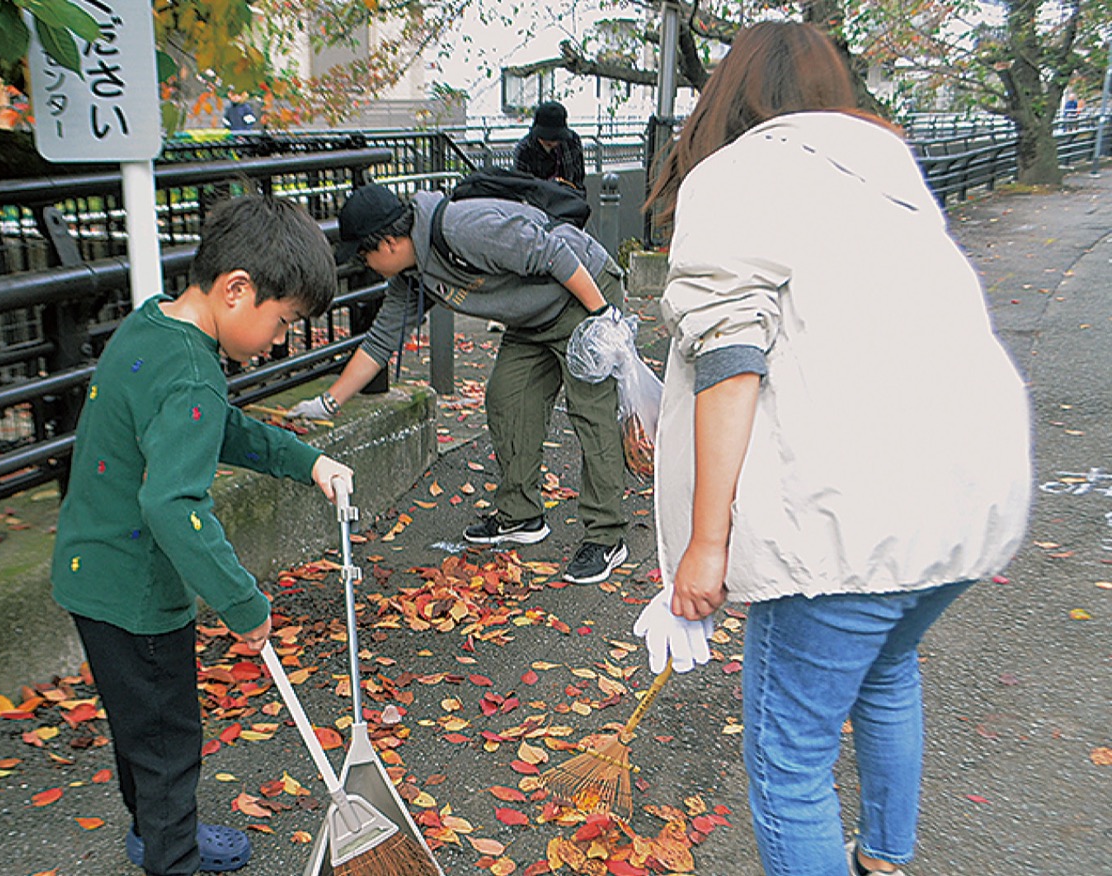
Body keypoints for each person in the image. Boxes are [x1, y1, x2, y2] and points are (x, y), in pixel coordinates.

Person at [632, 21, 1032, 876]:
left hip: (848, 511)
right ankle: (884, 859)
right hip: (975, 496)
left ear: (726, 98)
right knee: (888, 672)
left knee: (789, 761)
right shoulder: (894, 178)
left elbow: (731, 362)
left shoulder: (738, 176)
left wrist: (705, 548)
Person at [51, 195, 354, 876]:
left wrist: (304, 461)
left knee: (139, 730)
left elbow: (217, 425)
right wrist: (245, 606)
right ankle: (172, 855)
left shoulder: (153, 325)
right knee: (169, 742)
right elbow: (172, 505)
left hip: (87, 573)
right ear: (237, 289)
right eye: (282, 323)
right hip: (137, 592)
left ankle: (151, 835)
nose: (279, 340)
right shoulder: (193, 374)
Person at [287, 183, 629, 584]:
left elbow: (553, 253)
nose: (365, 264)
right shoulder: (412, 276)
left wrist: (604, 316)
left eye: (365, 253)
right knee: (507, 399)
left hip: (582, 293)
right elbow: (381, 341)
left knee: (591, 411)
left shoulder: (463, 228)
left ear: (391, 242)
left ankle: (606, 536)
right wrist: (327, 403)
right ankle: (521, 515)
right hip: (531, 317)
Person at [514, 100, 587, 192]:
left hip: (569, 198)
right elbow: (523, 186)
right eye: (546, 138)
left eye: (557, 138)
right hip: (537, 200)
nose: (552, 142)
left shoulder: (572, 142)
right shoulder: (524, 150)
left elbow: (578, 180)